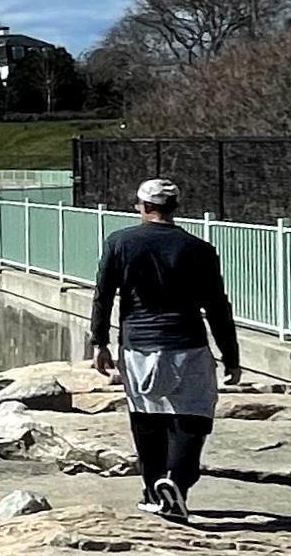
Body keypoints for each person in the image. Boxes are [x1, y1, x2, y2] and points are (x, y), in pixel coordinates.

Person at [86, 177, 244, 521]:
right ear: (174, 208)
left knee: (146, 417)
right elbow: (217, 306)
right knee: (192, 416)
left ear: (142, 207)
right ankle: (176, 482)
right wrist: (231, 356)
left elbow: (103, 295)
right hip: (187, 344)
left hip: (138, 346)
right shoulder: (199, 249)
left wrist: (99, 342)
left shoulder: (119, 242)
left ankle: (152, 489)